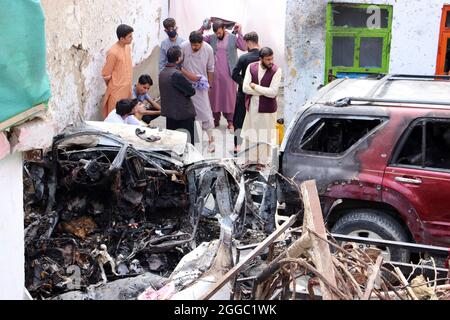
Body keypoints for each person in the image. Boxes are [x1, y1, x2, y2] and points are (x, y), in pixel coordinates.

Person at [200, 19, 247, 130]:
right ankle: (215, 120)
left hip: (229, 74)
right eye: (216, 33)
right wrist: (202, 28)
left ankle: (231, 121)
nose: (218, 35)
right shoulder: (211, 38)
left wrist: (240, 32)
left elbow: (244, 47)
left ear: (224, 29)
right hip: (214, 74)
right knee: (214, 97)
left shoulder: (232, 38)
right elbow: (198, 39)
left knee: (229, 97)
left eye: (219, 33)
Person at [241, 47, 282, 170]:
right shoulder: (251, 67)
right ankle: (252, 160)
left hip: (268, 110)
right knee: (252, 134)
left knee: (265, 135)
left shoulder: (277, 70)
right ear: (261, 59)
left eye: (272, 58)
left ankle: (262, 162)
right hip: (252, 108)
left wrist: (255, 87)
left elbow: (273, 92)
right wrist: (263, 91)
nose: (271, 61)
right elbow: (245, 88)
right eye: (268, 59)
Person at [180, 31, 215, 152]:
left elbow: (210, 68)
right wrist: (188, 77)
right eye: (192, 45)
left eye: (197, 45)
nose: (194, 47)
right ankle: (190, 143)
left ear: (202, 43)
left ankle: (211, 142)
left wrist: (209, 86)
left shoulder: (208, 49)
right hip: (185, 86)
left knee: (205, 114)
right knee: (188, 115)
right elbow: (179, 65)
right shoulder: (184, 46)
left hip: (201, 86)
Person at [159, 46, 197, 145]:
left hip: (170, 113)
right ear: (178, 58)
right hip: (182, 113)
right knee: (187, 143)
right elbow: (191, 91)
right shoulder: (176, 74)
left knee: (173, 142)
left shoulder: (162, 72)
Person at [231, 32, 261, 155]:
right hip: (260, 93)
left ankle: (237, 147)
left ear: (248, 42)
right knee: (257, 121)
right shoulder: (264, 56)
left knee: (239, 120)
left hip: (244, 94)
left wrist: (245, 84)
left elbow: (234, 74)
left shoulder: (244, 58)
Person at [102, 24, 134, 118]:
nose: (132, 38)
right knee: (115, 117)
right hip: (116, 91)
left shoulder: (127, 47)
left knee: (126, 116)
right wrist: (114, 85)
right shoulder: (113, 52)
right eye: (130, 36)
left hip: (127, 89)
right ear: (121, 39)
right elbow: (106, 74)